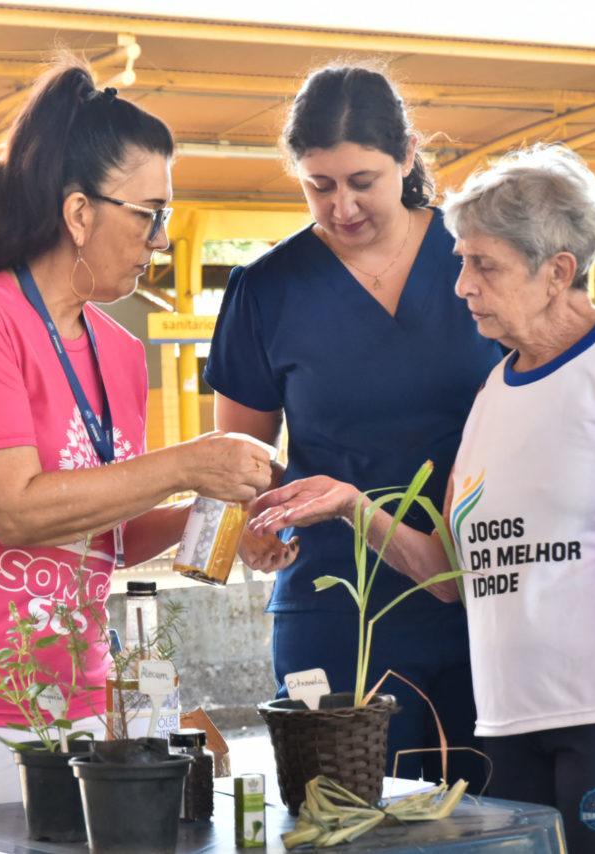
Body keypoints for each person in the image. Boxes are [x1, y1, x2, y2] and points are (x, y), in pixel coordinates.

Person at [249, 144, 595, 854]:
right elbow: (453, 577)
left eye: (482, 264)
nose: (460, 285)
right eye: (461, 261)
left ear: (557, 271)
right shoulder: (492, 392)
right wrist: (350, 504)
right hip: (505, 727)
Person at [0, 61, 272, 841]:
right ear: (79, 212)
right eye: (149, 214)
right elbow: (14, 510)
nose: (163, 238)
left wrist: (202, 516)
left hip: (72, 706)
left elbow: (95, 534)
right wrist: (186, 462)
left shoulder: (115, 348)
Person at [205, 64, 503, 785]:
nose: (341, 208)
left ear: (406, 157)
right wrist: (251, 526)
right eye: (319, 185)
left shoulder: (484, 256)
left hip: (485, 587)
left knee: (498, 814)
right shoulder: (266, 289)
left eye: (362, 181)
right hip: (334, 601)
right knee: (343, 814)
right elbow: (239, 461)